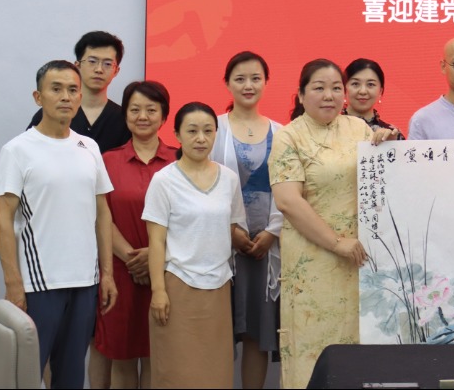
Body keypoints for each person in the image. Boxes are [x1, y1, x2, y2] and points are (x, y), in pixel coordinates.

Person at [0, 60, 118, 389]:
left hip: (86, 281)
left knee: (71, 374)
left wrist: (107, 274)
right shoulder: (17, 150)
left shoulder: (89, 147)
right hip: (39, 284)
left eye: (72, 90)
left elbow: (102, 212)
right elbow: (3, 218)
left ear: (79, 97)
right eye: (56, 89)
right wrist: (13, 283)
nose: (66, 96)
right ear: (38, 97)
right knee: (26, 375)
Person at [271, 60, 383, 388]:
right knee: (313, 347)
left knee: (358, 351)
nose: (329, 95)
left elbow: (380, 181)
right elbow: (288, 201)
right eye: (319, 88)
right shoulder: (288, 136)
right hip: (313, 262)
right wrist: (336, 242)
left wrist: (387, 145)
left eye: (336, 88)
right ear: (301, 95)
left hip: (359, 261)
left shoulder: (359, 129)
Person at [144, 102, 247, 389]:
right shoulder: (163, 180)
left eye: (208, 131)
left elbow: (233, 228)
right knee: (176, 371)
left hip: (219, 287)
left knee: (216, 371)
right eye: (192, 131)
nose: (201, 138)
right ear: (177, 134)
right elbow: (156, 240)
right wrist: (158, 291)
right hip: (178, 287)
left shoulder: (229, 179)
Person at [95, 81, 177, 389]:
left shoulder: (179, 161)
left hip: (168, 275)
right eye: (135, 110)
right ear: (125, 115)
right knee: (122, 359)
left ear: (164, 116)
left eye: (151, 110)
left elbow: (187, 220)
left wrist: (155, 257)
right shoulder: (107, 160)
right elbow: (100, 215)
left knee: (159, 357)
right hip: (120, 274)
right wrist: (132, 258)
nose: (143, 116)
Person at [211, 51, 284, 389]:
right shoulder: (214, 128)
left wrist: (272, 232)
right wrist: (230, 230)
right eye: (239, 79)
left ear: (266, 82)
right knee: (219, 332)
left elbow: (288, 186)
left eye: (256, 78)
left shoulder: (281, 132)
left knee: (257, 333)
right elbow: (205, 183)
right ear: (227, 83)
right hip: (221, 246)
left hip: (266, 248)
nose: (248, 85)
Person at [28, 30, 131, 153]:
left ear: (116, 71)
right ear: (77, 65)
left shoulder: (125, 120)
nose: (99, 69)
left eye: (108, 64)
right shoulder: (51, 113)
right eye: (92, 61)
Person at [343, 58, 404, 140]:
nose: (363, 91)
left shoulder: (392, 135)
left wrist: (391, 143)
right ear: (344, 88)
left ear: (380, 91)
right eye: (355, 84)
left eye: (370, 84)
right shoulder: (329, 128)